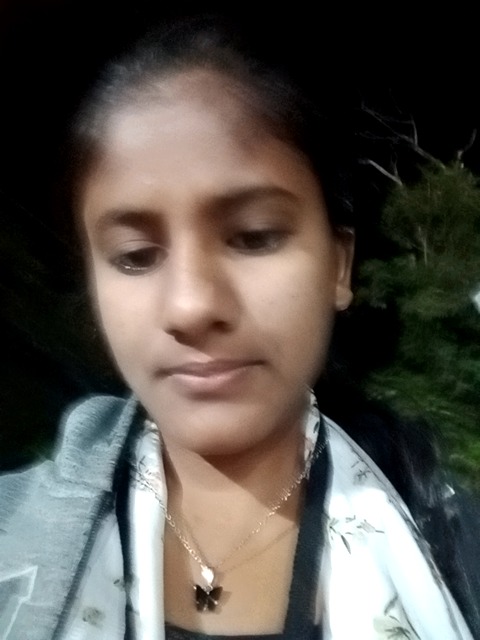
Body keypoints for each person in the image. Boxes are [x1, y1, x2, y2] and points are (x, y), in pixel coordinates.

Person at [1, 15, 479, 640]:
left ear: (338, 266)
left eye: (254, 237)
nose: (191, 306)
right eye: (135, 257)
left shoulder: (460, 558)